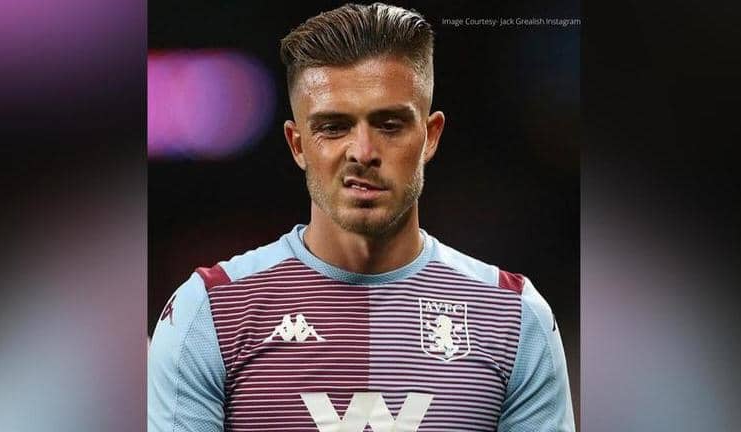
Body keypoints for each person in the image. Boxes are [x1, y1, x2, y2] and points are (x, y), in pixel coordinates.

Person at [148, 3, 575, 431]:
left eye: (389, 124)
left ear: (430, 136)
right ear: (297, 144)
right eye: (333, 127)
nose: (363, 152)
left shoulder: (513, 317)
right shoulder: (210, 313)